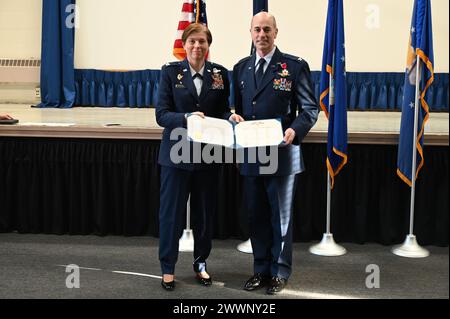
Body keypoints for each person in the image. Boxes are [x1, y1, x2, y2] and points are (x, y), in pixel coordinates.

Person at [232, 12, 319, 295]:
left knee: (280, 216)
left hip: (282, 153)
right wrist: (234, 119)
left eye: (267, 29)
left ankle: (280, 271)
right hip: (251, 154)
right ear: (250, 32)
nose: (262, 35)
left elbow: (310, 109)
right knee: (255, 214)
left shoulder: (293, 66)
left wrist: (295, 130)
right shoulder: (241, 68)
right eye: (257, 29)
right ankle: (260, 270)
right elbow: (237, 110)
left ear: (276, 32)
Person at [156, 23, 242, 291]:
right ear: (184, 44)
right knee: (171, 215)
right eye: (192, 41)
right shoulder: (170, 73)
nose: (197, 46)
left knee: (205, 215)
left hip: (208, 155)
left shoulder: (219, 73)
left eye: (202, 41)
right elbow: (162, 115)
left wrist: (231, 116)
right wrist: (186, 118)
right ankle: (167, 268)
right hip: (176, 155)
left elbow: (222, 109)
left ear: (208, 45)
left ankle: (201, 263)